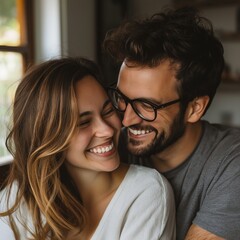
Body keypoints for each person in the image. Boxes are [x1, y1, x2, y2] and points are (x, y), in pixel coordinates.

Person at [0, 57, 175, 240]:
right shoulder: (15, 200)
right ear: (48, 137)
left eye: (107, 111)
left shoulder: (146, 193)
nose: (107, 130)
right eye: (83, 122)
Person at [103, 6, 240, 240]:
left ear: (195, 108)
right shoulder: (109, 148)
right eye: (122, 98)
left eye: (147, 105)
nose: (125, 119)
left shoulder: (231, 166)